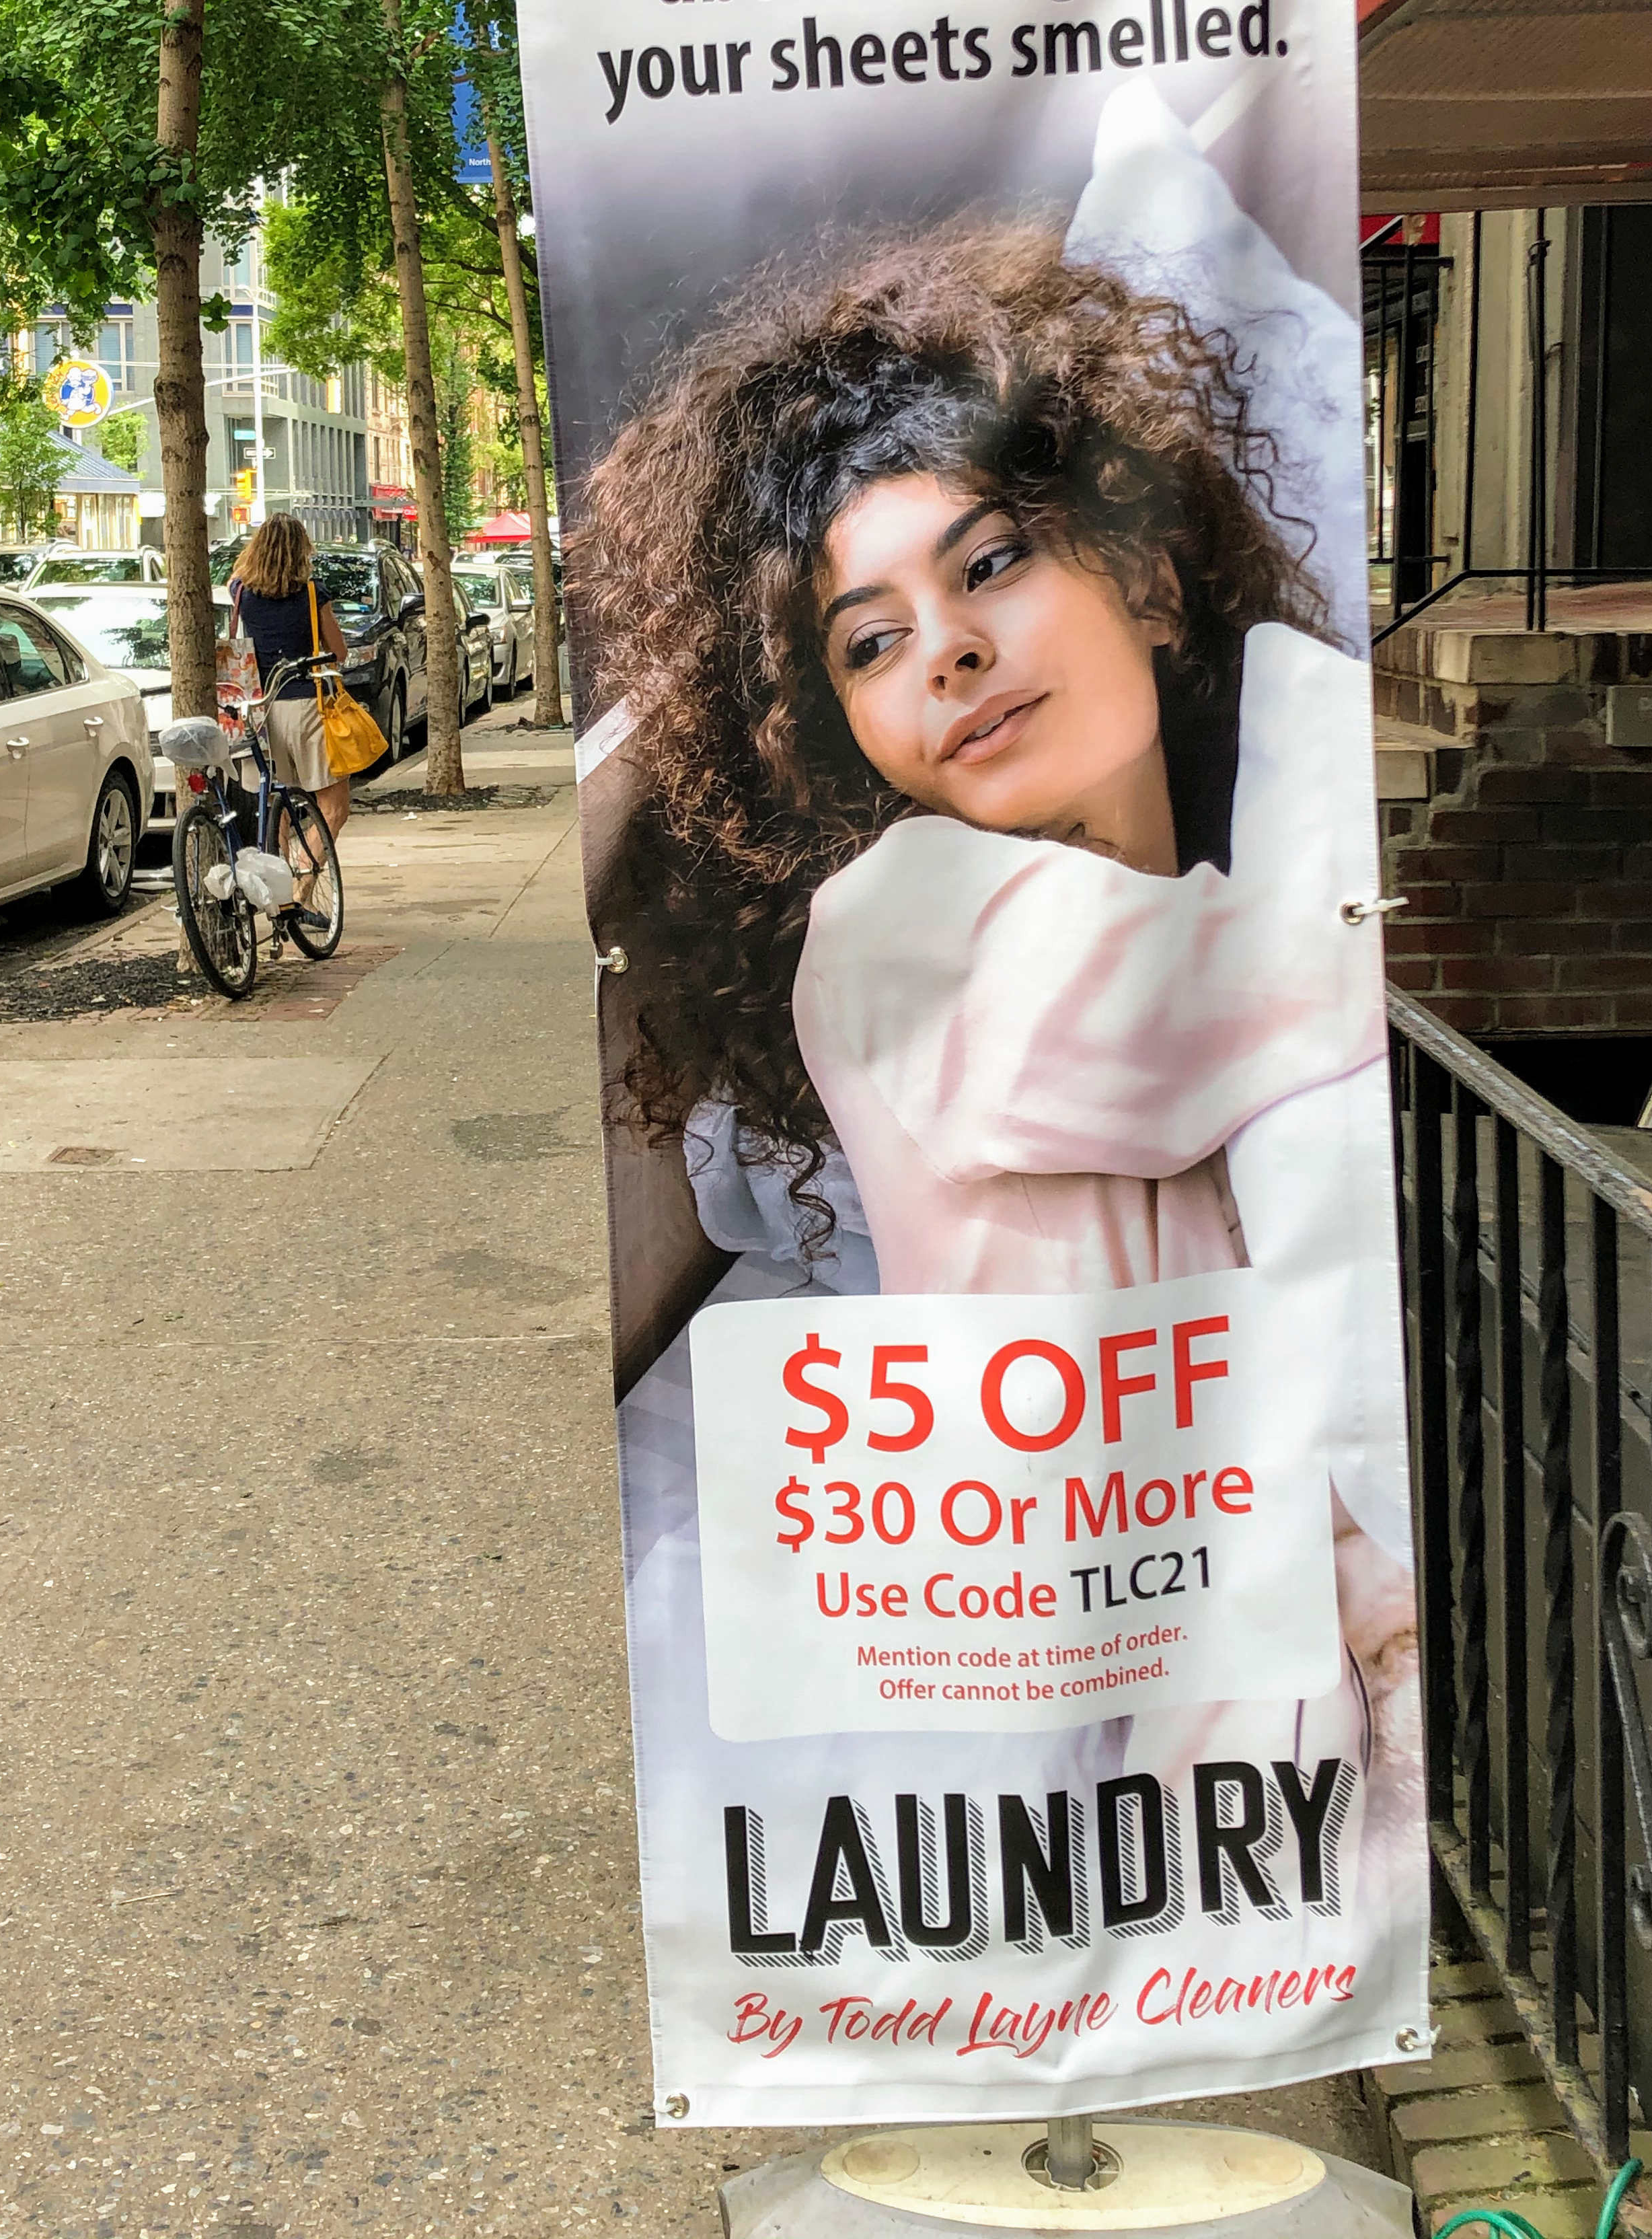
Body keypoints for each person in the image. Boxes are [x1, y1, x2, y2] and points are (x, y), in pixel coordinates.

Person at [582, 220, 1416, 1833]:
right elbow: (1279, 994)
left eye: (988, 566)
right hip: (1092, 1737)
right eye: (872, 642)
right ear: (851, 732)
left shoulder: (1185, 902)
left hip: (1241, 1696)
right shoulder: (901, 924)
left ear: (1150, 581)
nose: (950, 649)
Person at [227, 514, 352, 879]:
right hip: (308, 705)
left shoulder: (240, 592)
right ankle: (304, 878)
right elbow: (339, 652)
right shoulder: (313, 594)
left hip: (260, 710)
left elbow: (237, 577)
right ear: (302, 550)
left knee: (273, 805)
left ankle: (278, 887)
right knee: (334, 807)